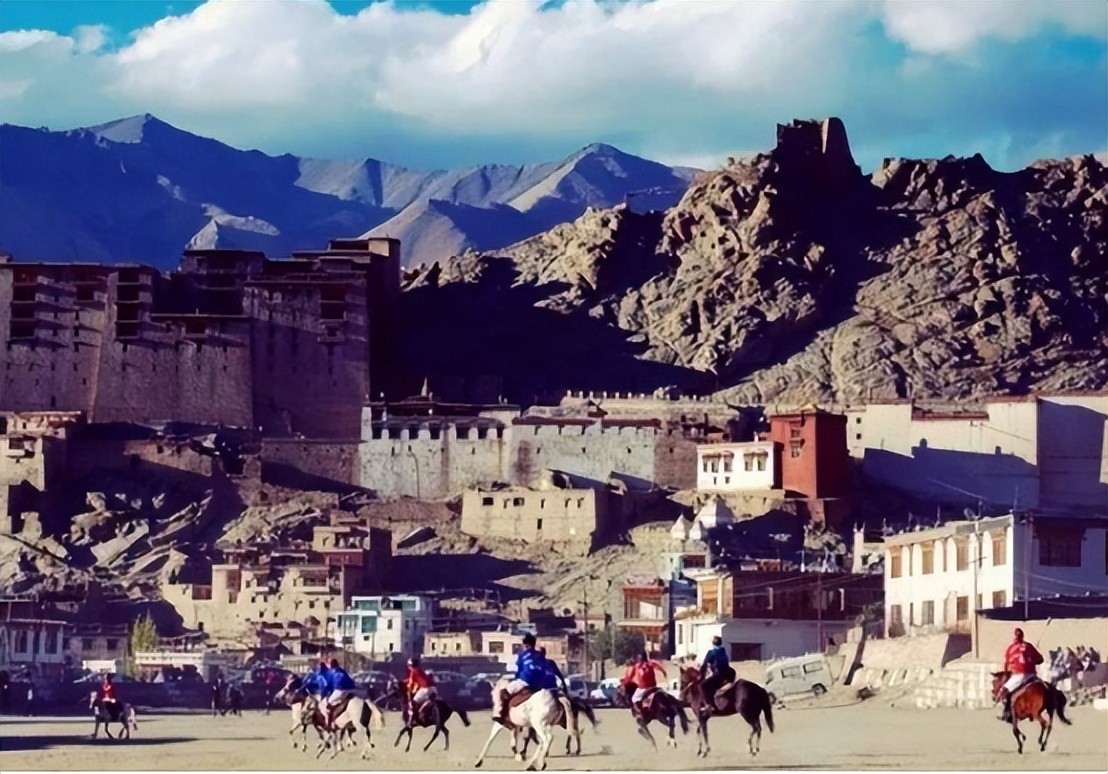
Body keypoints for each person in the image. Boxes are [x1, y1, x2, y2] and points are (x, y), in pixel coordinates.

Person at [497, 632, 544, 726]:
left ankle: (503, 715)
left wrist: (516, 679)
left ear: (526, 645)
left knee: (503, 692)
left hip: (524, 682)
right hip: (540, 684)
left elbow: (519, 671)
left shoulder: (522, 655)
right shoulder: (540, 655)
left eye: (524, 645)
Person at [999, 627, 1043, 722]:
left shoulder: (1011, 648)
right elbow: (1041, 660)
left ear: (1014, 637)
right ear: (1022, 636)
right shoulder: (1029, 646)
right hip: (1032, 675)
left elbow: (1007, 664)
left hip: (1019, 675)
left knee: (1004, 691)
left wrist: (1005, 675)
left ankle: (1007, 713)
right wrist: (1032, 659)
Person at [622, 650, 667, 717]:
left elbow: (629, 676)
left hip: (643, 687)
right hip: (653, 686)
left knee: (634, 698)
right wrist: (664, 673)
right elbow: (659, 667)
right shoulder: (651, 663)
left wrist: (625, 682)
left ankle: (640, 712)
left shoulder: (637, 666)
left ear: (639, 658)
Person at [699, 635, 736, 712]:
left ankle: (708, 705)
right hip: (728, 674)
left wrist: (700, 672)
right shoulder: (723, 650)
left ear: (713, 643)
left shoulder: (712, 652)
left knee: (703, 686)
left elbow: (705, 665)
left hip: (719, 675)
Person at [324, 659, 356, 731]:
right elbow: (350, 680)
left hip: (339, 691)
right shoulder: (343, 670)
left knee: (328, 704)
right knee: (340, 702)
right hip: (349, 690)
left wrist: (326, 691)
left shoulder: (331, 673)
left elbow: (328, 685)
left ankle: (328, 724)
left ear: (331, 666)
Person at [404, 657, 436, 723]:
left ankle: (412, 720)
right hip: (433, 689)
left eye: (409, 665)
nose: (408, 667)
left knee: (413, 702)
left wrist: (408, 687)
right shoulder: (420, 670)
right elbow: (417, 682)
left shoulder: (413, 671)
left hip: (426, 689)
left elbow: (410, 683)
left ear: (411, 665)